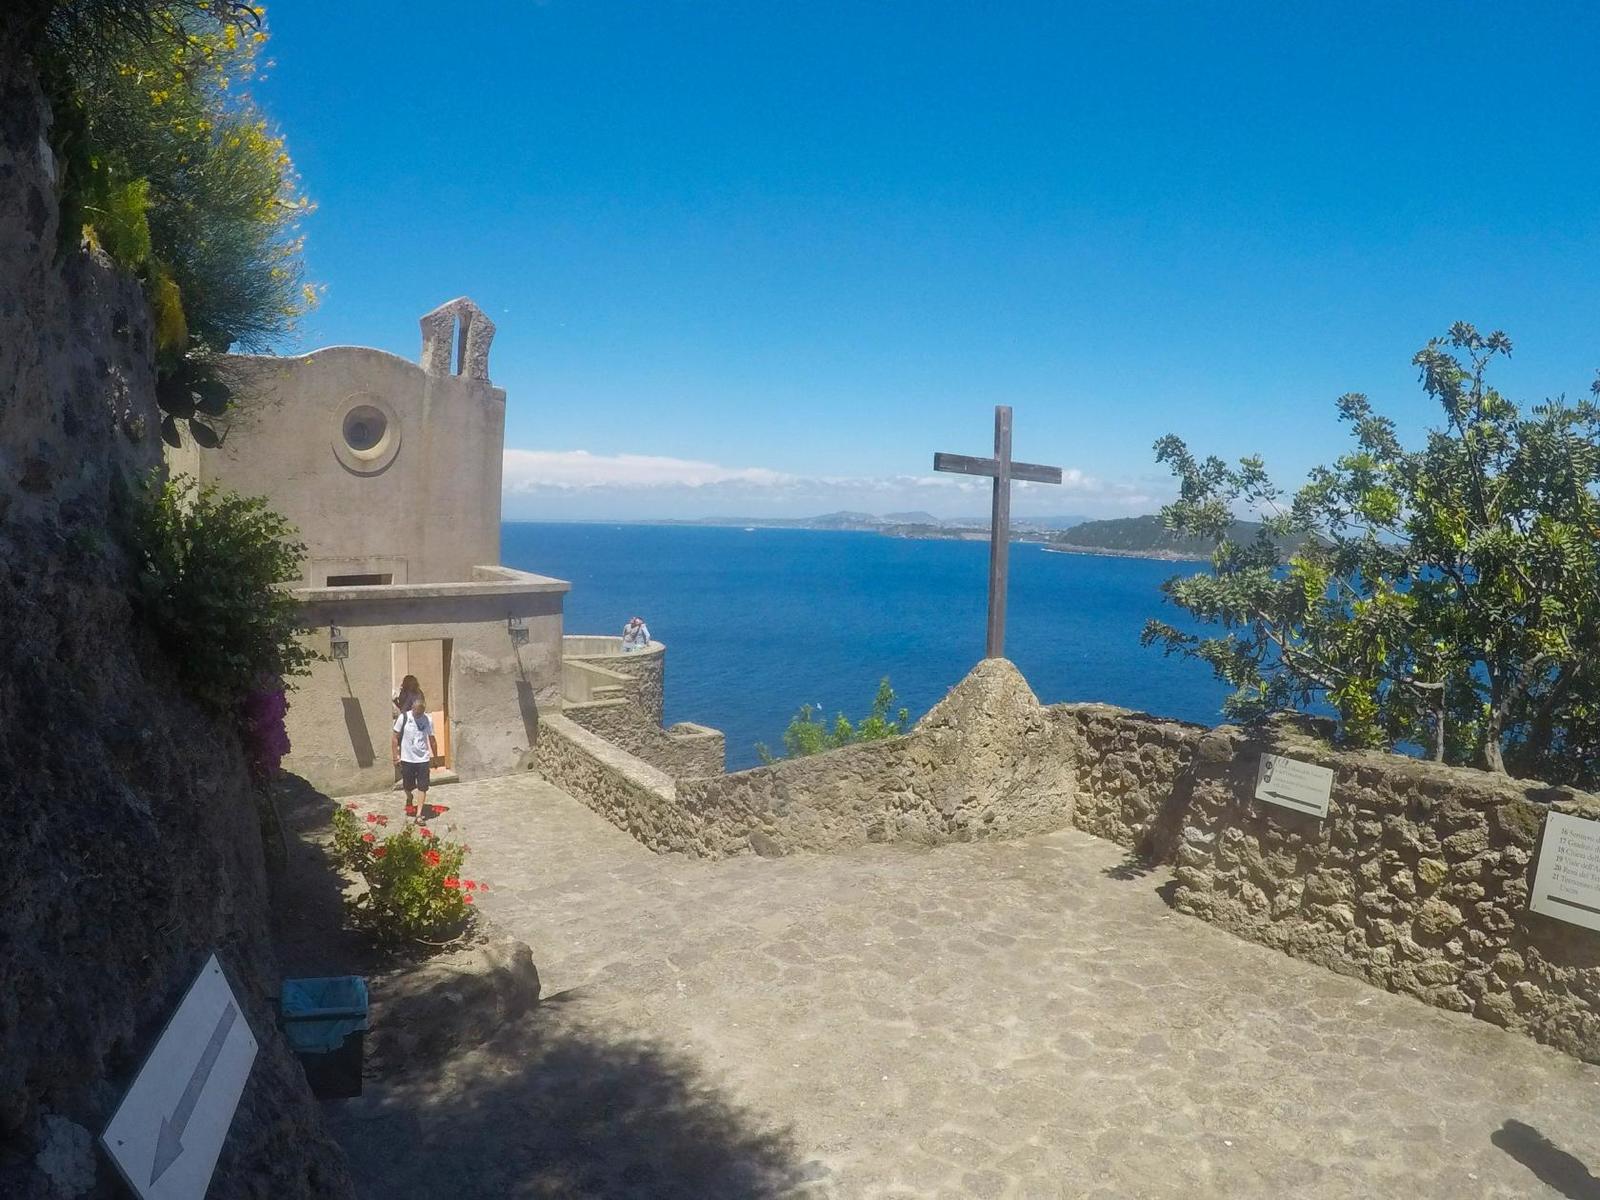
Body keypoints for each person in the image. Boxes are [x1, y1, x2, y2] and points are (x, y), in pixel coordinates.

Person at [392, 694, 439, 818]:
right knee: (407, 785)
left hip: (423, 758)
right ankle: (409, 796)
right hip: (407, 758)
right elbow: (394, 738)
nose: (418, 715)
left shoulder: (427, 719)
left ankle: (419, 814)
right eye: (416, 713)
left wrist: (435, 758)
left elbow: (432, 739)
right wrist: (395, 756)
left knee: (423, 786)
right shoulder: (404, 717)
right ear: (412, 708)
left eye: (420, 713)